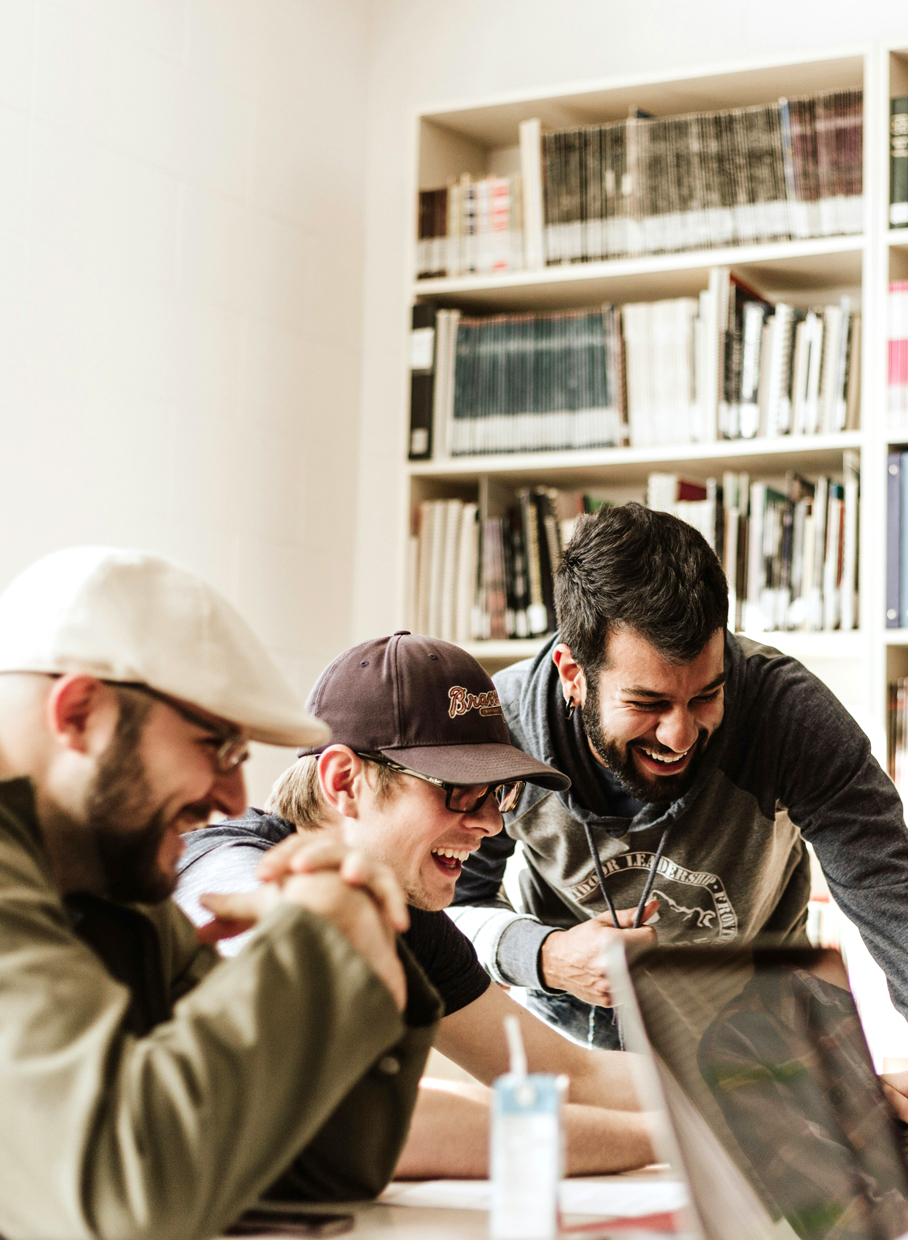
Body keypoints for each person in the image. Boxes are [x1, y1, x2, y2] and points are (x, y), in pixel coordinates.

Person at [0, 547, 441, 1240]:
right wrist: (318, 942)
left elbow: (315, 1170)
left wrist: (359, 938)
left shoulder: (111, 882)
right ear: (80, 712)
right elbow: (127, 1196)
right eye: (217, 747)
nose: (235, 797)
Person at [176, 631, 657, 1178]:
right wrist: (673, 1139)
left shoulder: (402, 912)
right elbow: (352, 1117)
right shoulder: (230, 875)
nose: (491, 824)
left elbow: (565, 1074)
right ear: (343, 782)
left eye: (497, 794)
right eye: (459, 789)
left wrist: (739, 1096)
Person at [448, 502, 908, 1050]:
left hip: (761, 1027)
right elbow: (448, 908)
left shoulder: (787, 713)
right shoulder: (503, 730)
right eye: (648, 702)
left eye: (706, 695)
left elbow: (890, 891)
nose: (680, 735)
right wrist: (544, 956)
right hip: (574, 1035)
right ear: (573, 674)